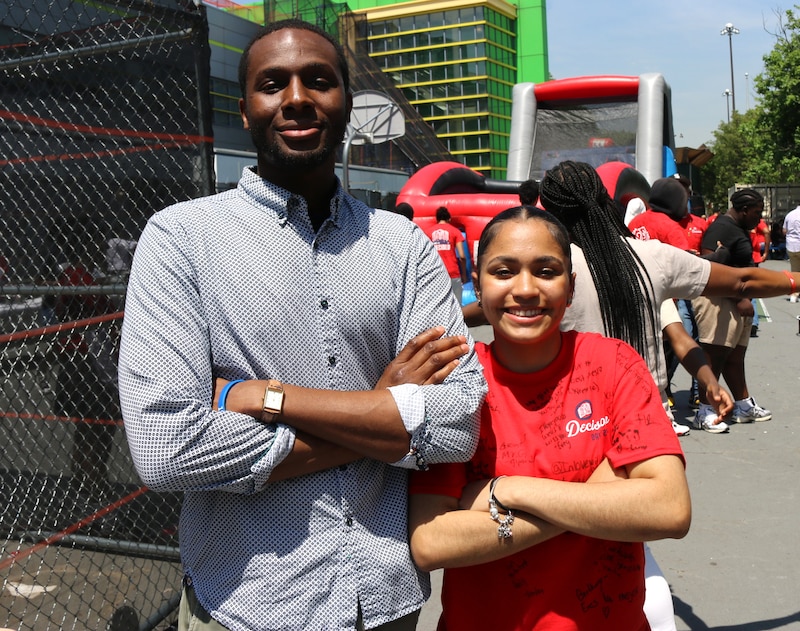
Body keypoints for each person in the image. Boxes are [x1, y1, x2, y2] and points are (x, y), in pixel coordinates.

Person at [118, 20, 486, 631]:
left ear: (347, 102)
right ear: (245, 108)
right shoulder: (180, 240)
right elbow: (166, 448)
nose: (296, 98)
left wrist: (265, 400)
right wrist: (378, 411)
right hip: (244, 602)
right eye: (273, 83)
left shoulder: (403, 246)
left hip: (385, 597)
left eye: (319, 80)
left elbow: (457, 425)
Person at [409, 206, 691, 630]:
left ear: (571, 286)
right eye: (503, 272)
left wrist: (508, 490)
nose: (525, 289)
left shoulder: (614, 364)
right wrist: (599, 494)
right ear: (476, 285)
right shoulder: (455, 384)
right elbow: (431, 541)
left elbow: (668, 509)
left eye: (546, 271)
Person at [692, 189, 773, 428]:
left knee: (735, 356)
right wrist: (737, 298)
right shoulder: (722, 228)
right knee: (714, 355)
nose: (759, 219)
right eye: (757, 213)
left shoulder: (738, 229)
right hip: (720, 302)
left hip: (738, 301)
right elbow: (709, 271)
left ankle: (742, 403)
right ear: (744, 210)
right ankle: (705, 410)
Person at [422, 206, 469, 304]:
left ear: (437, 218)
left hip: (434, 273)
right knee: (457, 305)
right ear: (449, 218)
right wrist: (464, 274)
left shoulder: (427, 232)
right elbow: (462, 256)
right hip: (452, 273)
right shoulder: (455, 231)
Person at [749, 217, 770, 335]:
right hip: (754, 257)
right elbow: (766, 231)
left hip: (744, 255)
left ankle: (751, 321)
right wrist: (766, 252)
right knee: (753, 290)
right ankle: (753, 322)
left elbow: (766, 232)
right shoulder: (756, 220)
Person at [783, 203, 800, 302]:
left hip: (791, 245)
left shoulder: (789, 214)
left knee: (795, 271)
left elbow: (784, 231)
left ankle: (794, 295)